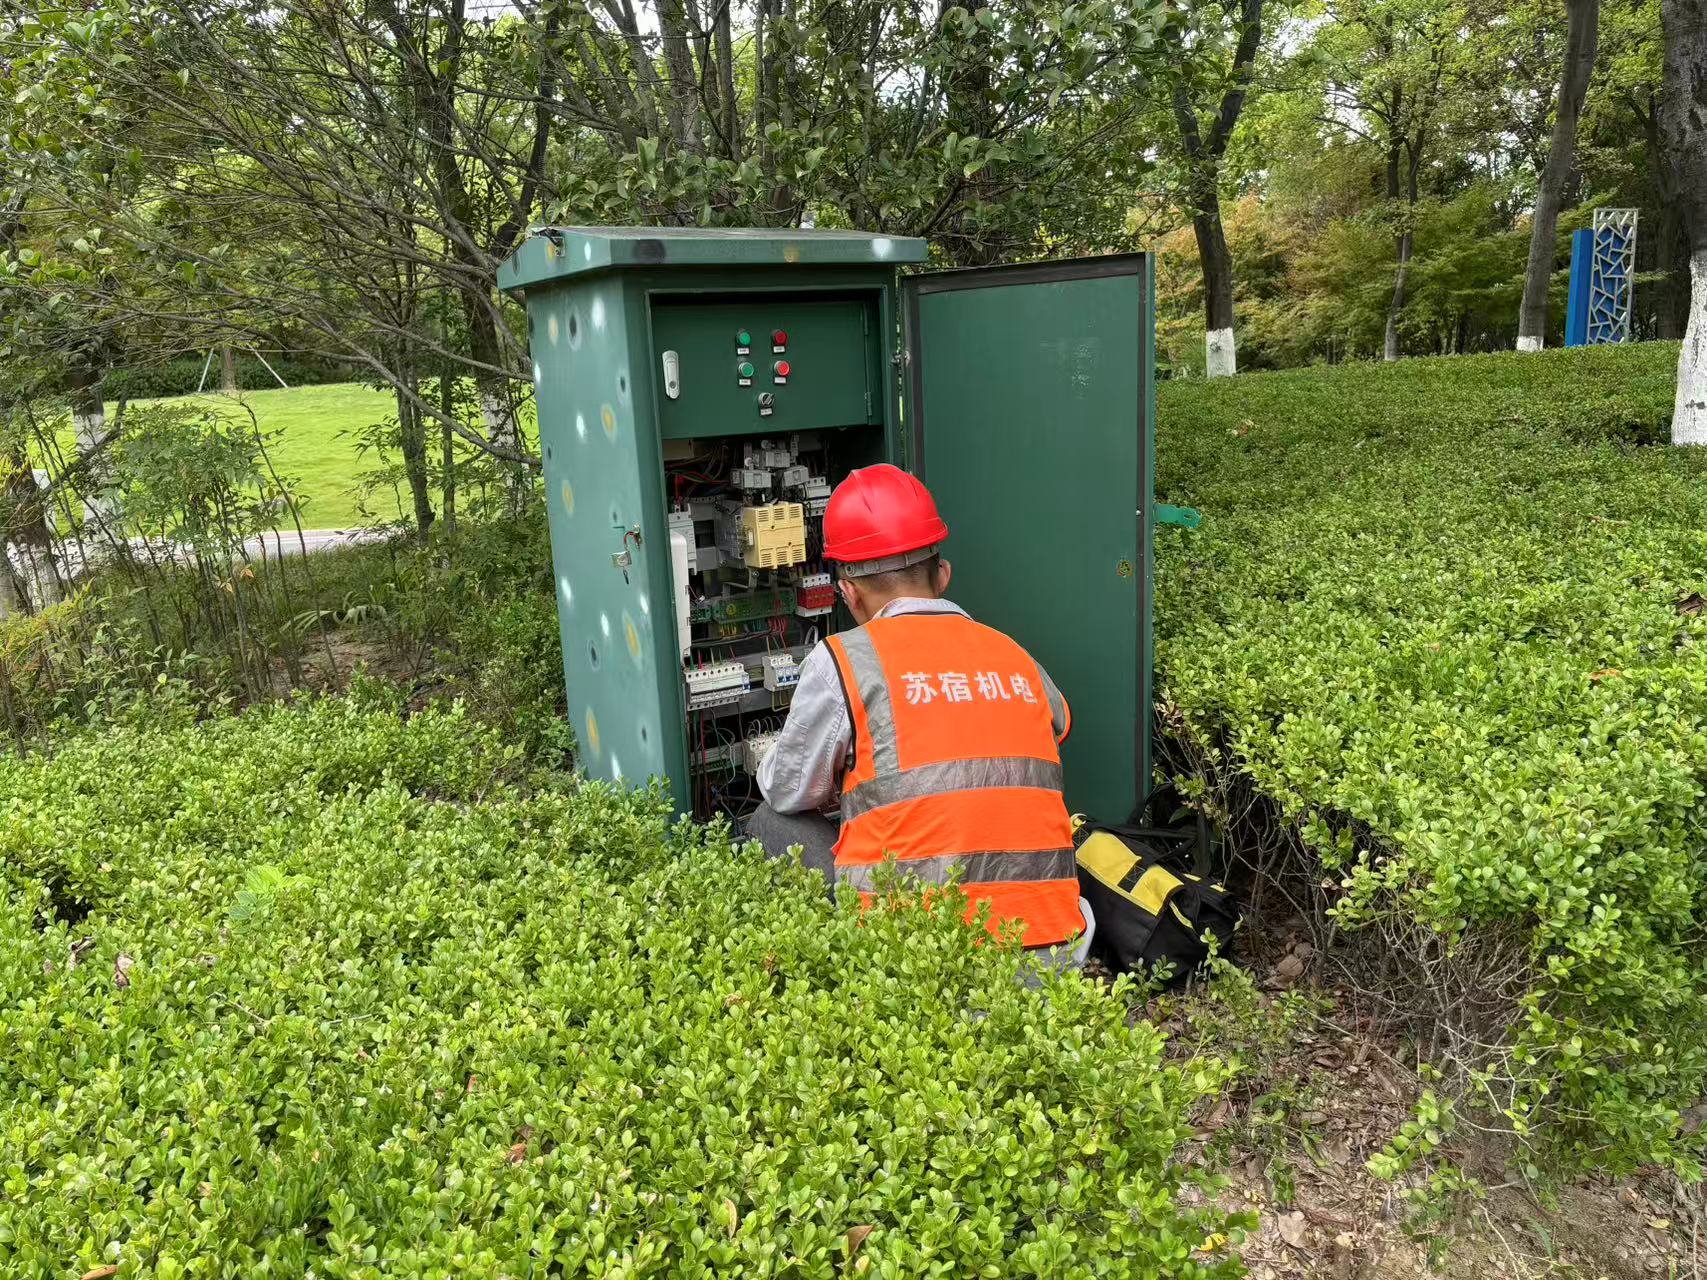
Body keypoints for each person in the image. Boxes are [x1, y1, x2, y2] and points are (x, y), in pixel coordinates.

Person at [749, 463, 1094, 967]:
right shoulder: (1012, 653)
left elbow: (787, 789)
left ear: (848, 593)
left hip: (918, 963)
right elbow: (1057, 725)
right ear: (944, 575)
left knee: (770, 821)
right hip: (1052, 948)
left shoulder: (843, 660)